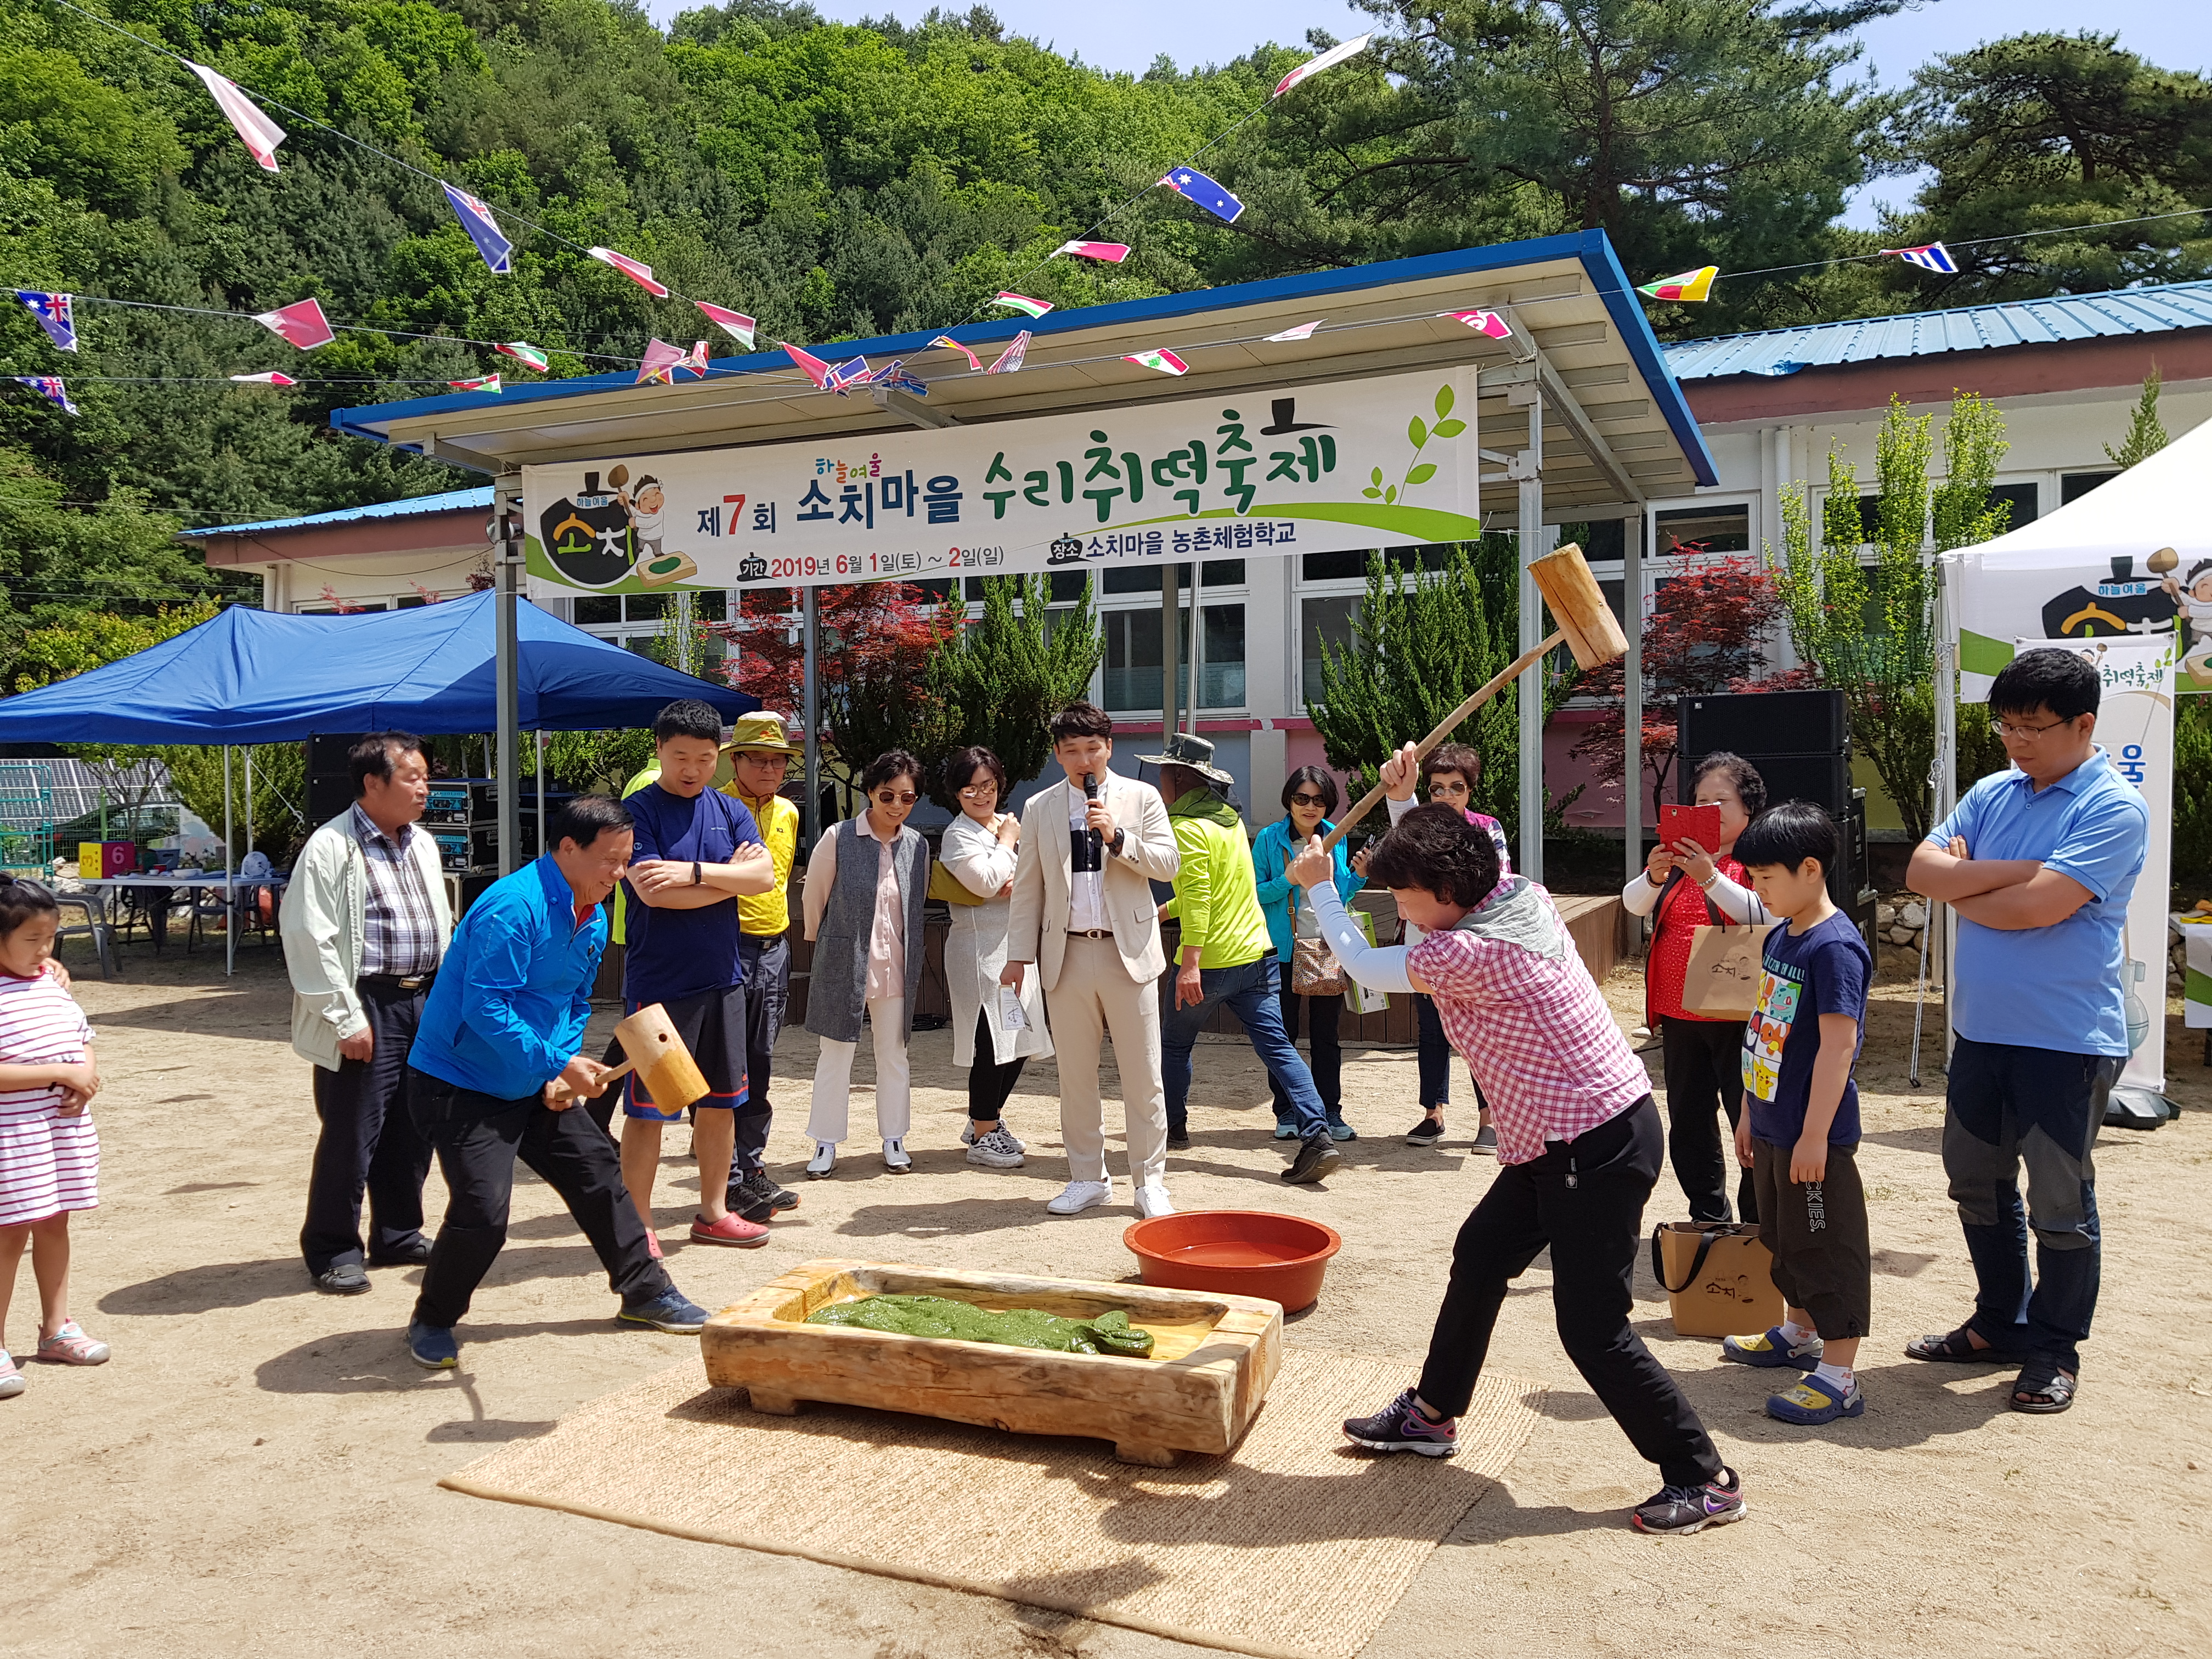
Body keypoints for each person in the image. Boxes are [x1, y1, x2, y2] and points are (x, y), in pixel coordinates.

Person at [1293, 805, 1746, 1536]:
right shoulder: (1512, 891)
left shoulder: (1471, 952)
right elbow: (1444, 862)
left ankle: (1704, 1477)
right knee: (1481, 1254)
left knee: (1593, 1328)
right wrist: (1409, 805)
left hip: (1591, 1144)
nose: (1399, 910)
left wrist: (1320, 888)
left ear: (1445, 891)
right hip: (1566, 1138)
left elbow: (1366, 966)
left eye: (1406, 897)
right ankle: (1432, 1415)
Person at [1904, 647, 2148, 1416]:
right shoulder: (1991, 790)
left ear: (2084, 723)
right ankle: (1997, 1323)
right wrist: (2020, 871)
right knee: (1975, 1182)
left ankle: (2053, 1348)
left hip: (2066, 1040)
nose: (2017, 740)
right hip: (1980, 1033)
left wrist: (1971, 883)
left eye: (2034, 728)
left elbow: (2033, 910)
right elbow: (1921, 872)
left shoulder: (2112, 807)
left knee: (2058, 1202)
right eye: (2007, 725)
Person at [403, 795, 710, 1370]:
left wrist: (561, 1063)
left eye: (626, 862)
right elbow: (485, 1008)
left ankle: (646, 1293)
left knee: (598, 1174)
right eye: (610, 862)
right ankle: (433, 1317)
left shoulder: (592, 912)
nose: (619, 875)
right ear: (568, 848)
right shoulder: (512, 908)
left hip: (537, 1075)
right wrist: (555, 1064)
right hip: (460, 1082)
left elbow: (573, 1000)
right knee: (483, 1212)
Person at [1720, 802, 1873, 1426]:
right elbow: (1768, 1029)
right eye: (1752, 879)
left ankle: (1839, 1373)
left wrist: (1815, 1136)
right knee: (1782, 1237)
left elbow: (1839, 1047)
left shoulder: (1836, 947)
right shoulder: (1783, 934)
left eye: (1766, 878)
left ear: (1811, 869)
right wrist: (1752, 1112)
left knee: (1826, 1246)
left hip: (1815, 1133)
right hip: (1775, 1122)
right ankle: (1799, 1332)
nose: (1758, 890)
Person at [280, 731, 449, 1295]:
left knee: (412, 1124)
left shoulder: (422, 842)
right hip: (364, 1001)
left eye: (426, 776)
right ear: (372, 783)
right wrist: (342, 1015)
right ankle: (333, 1247)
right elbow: (310, 936)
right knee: (353, 1131)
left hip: (421, 998)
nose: (425, 787)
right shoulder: (331, 846)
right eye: (412, 777)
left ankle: (398, 1233)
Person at [1003, 702, 1181, 1218]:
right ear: (1058, 755)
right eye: (1072, 750)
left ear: (1109, 747)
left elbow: (1168, 863)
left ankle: (1150, 1182)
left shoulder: (1142, 796)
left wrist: (1117, 837)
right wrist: (1018, 956)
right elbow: (1028, 888)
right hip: (1067, 952)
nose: (1084, 759)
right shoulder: (1039, 807)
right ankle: (1087, 1176)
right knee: (1075, 1076)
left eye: (1093, 748)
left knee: (1143, 1073)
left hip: (1129, 951)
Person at [616, 699, 775, 1250]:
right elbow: (654, 894)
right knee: (648, 1111)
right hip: (658, 986)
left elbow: (764, 878)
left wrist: (696, 873)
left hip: (724, 978)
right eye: (681, 756)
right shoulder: (636, 813)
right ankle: (637, 1225)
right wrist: (728, 878)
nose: (692, 768)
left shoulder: (730, 811)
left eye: (705, 759)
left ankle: (712, 1211)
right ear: (659, 749)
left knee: (721, 1101)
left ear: (720, 760)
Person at [1149, 733, 1341, 1186]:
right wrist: (1164, 910)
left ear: (1180, 779)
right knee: (1278, 1046)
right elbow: (1225, 886)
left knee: (1175, 1045)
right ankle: (1317, 1134)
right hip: (1258, 954)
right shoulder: (1229, 822)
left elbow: (1199, 895)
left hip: (1210, 959)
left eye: (1163, 773)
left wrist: (1190, 961)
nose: (1158, 781)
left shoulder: (1184, 827)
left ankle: (1173, 1127)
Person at [1620, 752, 1770, 1223]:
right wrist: (1655, 875)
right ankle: (1709, 1215)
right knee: (1689, 1123)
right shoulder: (1681, 863)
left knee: (1749, 1121)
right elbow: (1633, 906)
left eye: (1719, 800)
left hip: (1739, 1017)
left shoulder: (1759, 857)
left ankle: (1756, 1222)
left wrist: (1708, 875)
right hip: (1680, 1015)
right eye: (1699, 800)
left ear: (1747, 809)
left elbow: (1765, 914)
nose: (1707, 809)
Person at [0, 876, 109, 1397]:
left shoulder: (48, 981)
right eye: (32, 940)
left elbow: (80, 1037)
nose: (44, 951)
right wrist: (62, 1075)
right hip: (13, 1135)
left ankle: (56, 1328)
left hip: (58, 1131)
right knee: (8, 1235)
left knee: (54, 1222)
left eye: (51, 940)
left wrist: (83, 1075)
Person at [803, 750, 929, 1178]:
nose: (896, 806)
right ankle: (825, 1142)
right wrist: (825, 948)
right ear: (871, 792)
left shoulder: (917, 844)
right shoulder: (838, 836)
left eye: (907, 799)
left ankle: (894, 1138)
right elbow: (814, 899)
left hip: (896, 965)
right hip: (844, 961)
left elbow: (913, 907)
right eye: (887, 795)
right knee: (835, 1054)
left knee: (894, 1055)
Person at [938, 746, 1051, 1169]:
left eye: (988, 786)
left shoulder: (1006, 825)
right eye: (971, 789)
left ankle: (983, 1120)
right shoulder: (960, 835)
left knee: (1018, 1041)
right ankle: (984, 1132)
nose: (982, 795)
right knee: (991, 1041)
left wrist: (1011, 873)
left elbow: (1031, 878)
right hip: (980, 953)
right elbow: (987, 883)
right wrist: (1007, 847)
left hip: (1014, 948)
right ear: (957, 793)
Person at [1395, 743, 1507, 1153]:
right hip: (1425, 946)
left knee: (1480, 1033)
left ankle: (1490, 1118)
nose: (1446, 797)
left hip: (1472, 949)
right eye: (1437, 788)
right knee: (1432, 1032)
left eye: (1455, 787)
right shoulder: (1413, 828)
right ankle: (1433, 1113)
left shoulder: (1486, 829)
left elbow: (1498, 884)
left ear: (1470, 791)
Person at [720, 713, 805, 1223]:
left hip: (775, 946)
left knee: (761, 1061)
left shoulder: (789, 812)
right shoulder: (717, 807)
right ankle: (727, 1177)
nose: (771, 769)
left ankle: (752, 1170)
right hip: (727, 946)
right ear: (737, 760)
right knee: (726, 1065)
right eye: (760, 759)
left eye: (779, 760)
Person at [1251, 765, 1366, 1142]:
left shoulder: (1337, 836)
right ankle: (1286, 1112)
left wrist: (1359, 875)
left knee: (1326, 1037)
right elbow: (1255, 892)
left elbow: (1342, 893)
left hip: (1325, 946)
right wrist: (1290, 878)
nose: (1310, 806)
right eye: (1302, 798)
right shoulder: (1269, 839)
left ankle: (1330, 1113)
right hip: (1281, 951)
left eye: (1319, 799)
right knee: (1283, 1036)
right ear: (1289, 800)